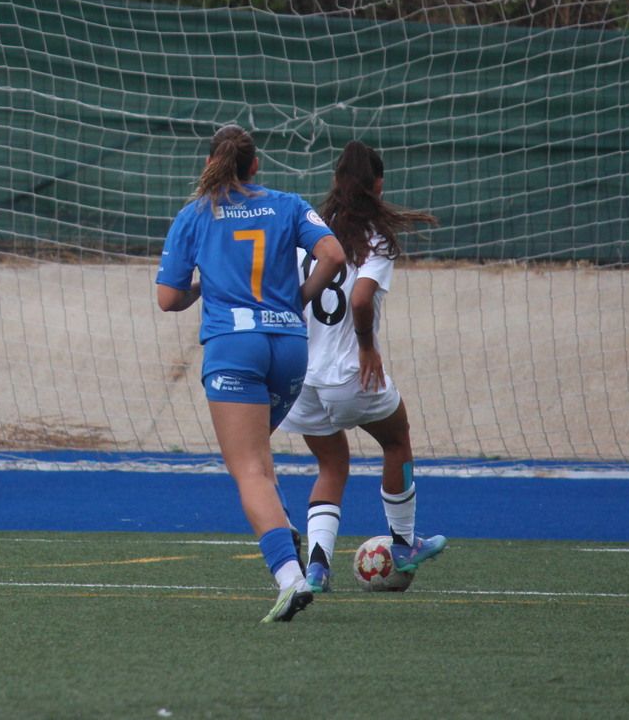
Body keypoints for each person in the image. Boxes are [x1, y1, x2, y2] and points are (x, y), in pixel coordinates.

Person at [156, 124, 346, 623]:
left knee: (250, 470)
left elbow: (168, 298)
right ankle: (287, 534)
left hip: (234, 346)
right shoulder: (286, 203)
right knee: (260, 456)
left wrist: (204, 287)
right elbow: (334, 255)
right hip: (288, 346)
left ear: (209, 165)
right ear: (255, 165)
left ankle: (288, 576)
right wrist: (299, 299)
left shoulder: (195, 214)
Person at [280, 139, 446, 594]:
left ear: (335, 181)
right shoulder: (375, 238)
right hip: (348, 373)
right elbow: (359, 298)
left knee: (331, 465)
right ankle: (404, 541)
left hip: (300, 377)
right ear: (378, 184)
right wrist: (366, 345)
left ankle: (316, 568)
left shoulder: (305, 230)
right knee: (397, 439)